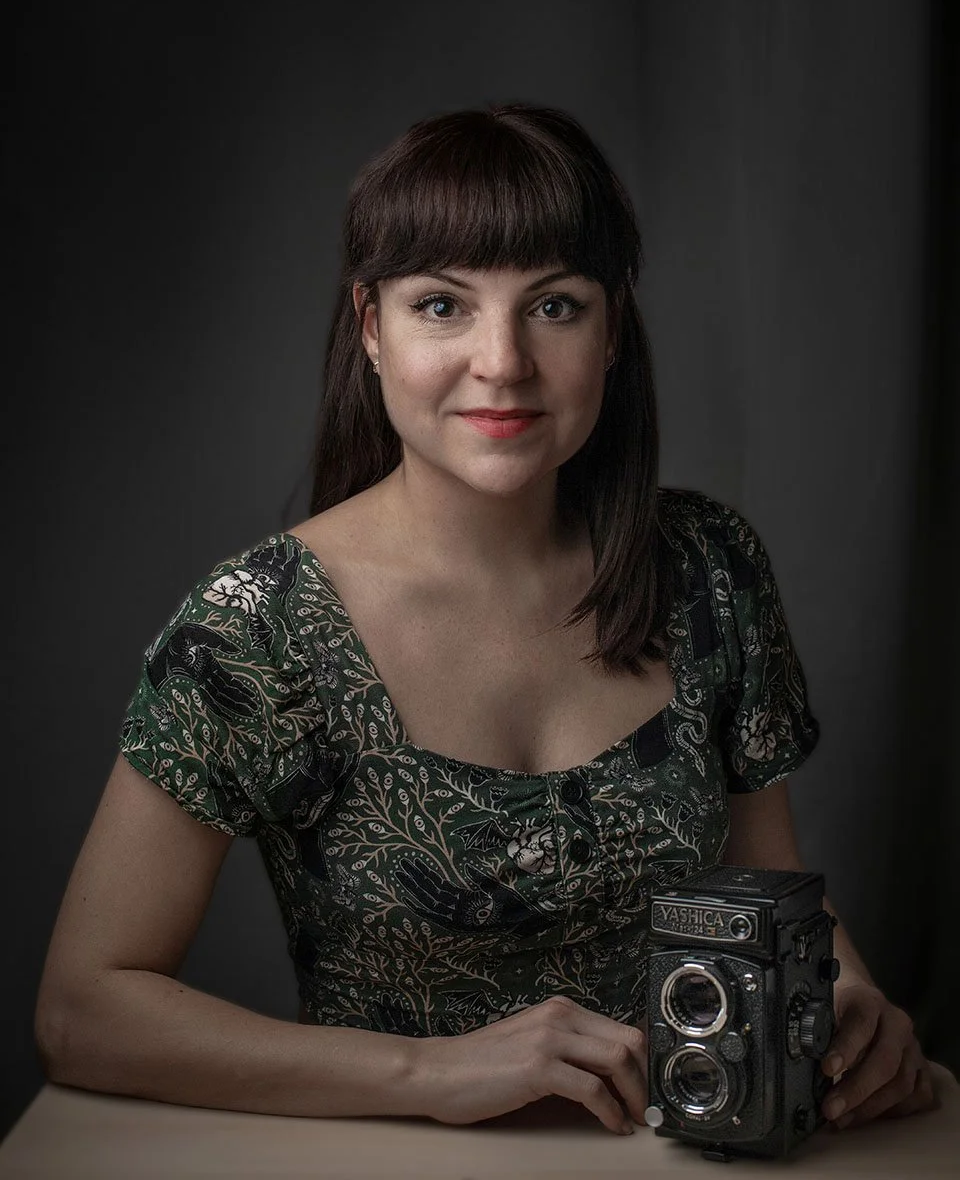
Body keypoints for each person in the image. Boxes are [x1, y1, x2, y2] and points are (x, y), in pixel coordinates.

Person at [35, 102, 936, 1138]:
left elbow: (776, 896)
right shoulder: (256, 629)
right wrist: (430, 1074)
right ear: (370, 327)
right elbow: (82, 1010)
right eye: (442, 306)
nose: (503, 362)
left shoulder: (708, 569)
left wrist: (852, 1004)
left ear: (612, 330)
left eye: (554, 306)